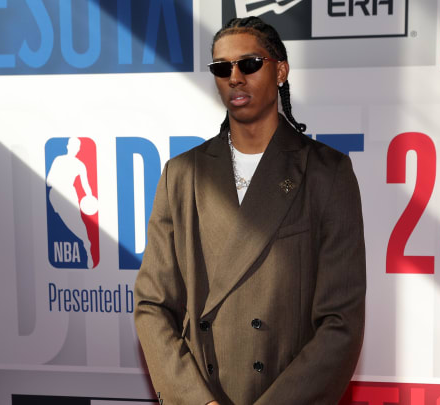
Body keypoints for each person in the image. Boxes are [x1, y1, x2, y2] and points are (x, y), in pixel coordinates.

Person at [133, 16, 366, 405]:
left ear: (280, 70)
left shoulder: (327, 172)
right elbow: (152, 304)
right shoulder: (182, 174)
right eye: (222, 68)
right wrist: (197, 401)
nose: (235, 77)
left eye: (250, 64)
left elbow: (340, 322)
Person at [46, 137, 96, 268]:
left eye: (77, 146)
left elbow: (86, 185)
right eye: (73, 145)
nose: (75, 148)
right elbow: (48, 180)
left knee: (77, 224)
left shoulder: (80, 165)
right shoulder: (59, 160)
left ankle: (87, 248)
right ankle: (86, 245)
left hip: (70, 195)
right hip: (57, 195)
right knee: (63, 224)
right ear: (68, 146)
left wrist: (90, 198)